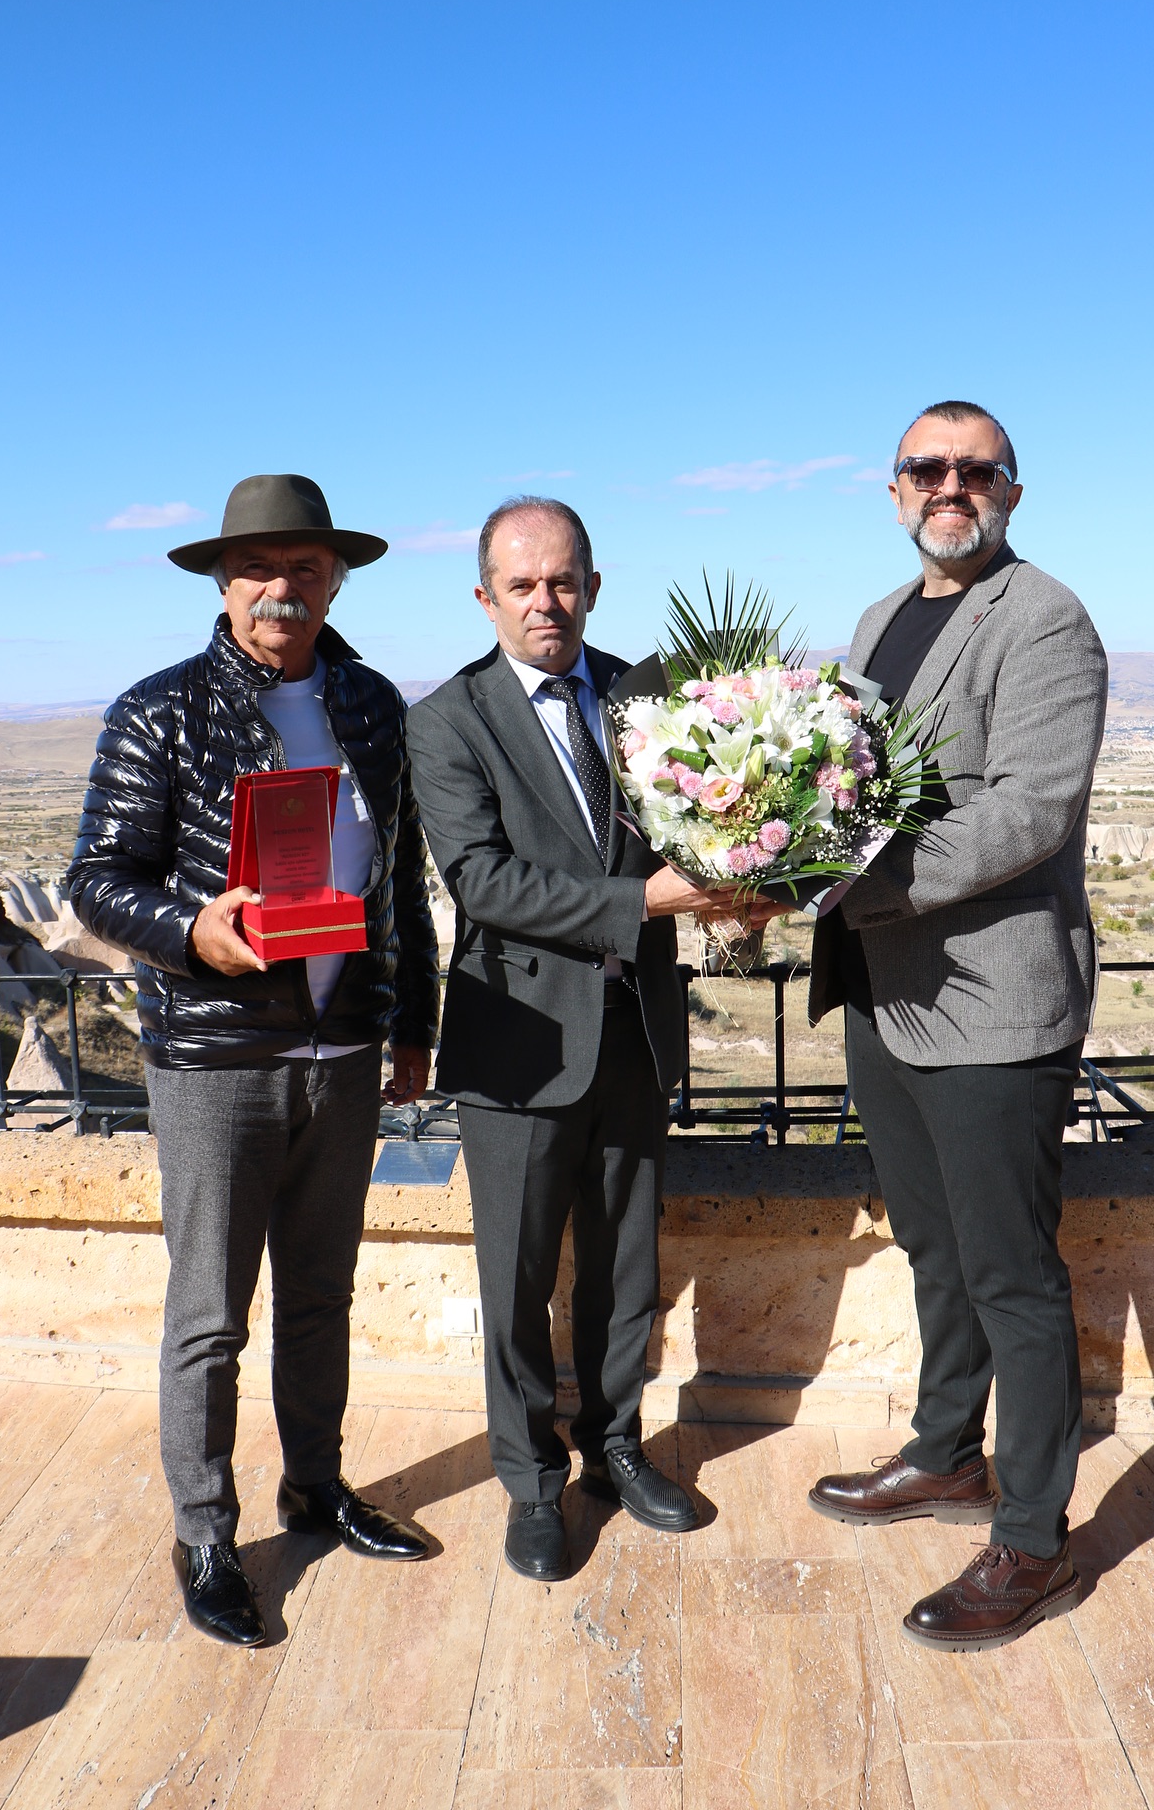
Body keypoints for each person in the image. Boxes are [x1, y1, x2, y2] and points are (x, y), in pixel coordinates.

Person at [67, 472, 440, 1646]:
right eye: (259, 568)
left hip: (345, 1047)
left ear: (337, 581)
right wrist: (193, 930)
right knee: (211, 1315)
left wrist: (414, 1022)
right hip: (216, 1055)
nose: (282, 588)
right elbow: (96, 880)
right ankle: (205, 1534)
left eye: (306, 568)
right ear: (225, 583)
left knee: (321, 1295)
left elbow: (400, 883)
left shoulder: (372, 705)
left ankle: (315, 1487)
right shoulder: (158, 712)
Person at [805, 402, 1107, 1651]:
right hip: (887, 994)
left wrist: (847, 882)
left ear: (1011, 493)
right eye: (926, 468)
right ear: (893, 490)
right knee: (934, 1245)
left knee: (1012, 1276)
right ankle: (946, 1453)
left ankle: (1034, 1542)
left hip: (991, 1001)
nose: (950, 486)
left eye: (976, 471)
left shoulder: (1044, 619)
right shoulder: (882, 619)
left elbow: (1029, 811)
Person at [406, 496, 745, 1582]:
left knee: (623, 1264)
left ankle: (615, 1448)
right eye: (522, 585)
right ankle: (529, 1483)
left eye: (562, 581)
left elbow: (711, 816)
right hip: (520, 1042)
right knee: (515, 1280)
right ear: (485, 598)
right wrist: (648, 902)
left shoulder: (655, 696)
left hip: (634, 1030)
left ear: (593, 587)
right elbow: (484, 881)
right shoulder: (448, 720)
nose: (544, 602)